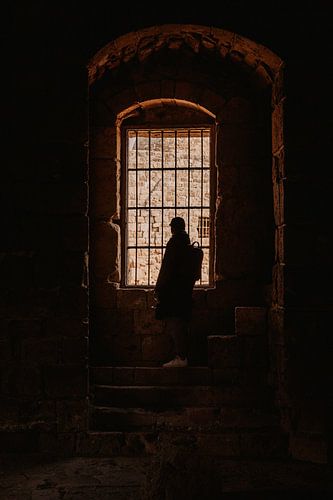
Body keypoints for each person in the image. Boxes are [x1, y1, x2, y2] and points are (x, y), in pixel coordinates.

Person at [154, 217, 195, 368]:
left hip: (173, 292)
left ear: (173, 228)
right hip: (183, 291)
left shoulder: (175, 243)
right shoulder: (186, 243)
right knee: (181, 323)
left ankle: (181, 356)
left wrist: (159, 288)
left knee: (174, 322)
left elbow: (167, 268)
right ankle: (181, 355)